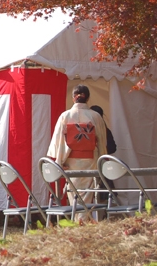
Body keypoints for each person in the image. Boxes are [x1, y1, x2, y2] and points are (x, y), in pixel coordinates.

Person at [47, 84, 107, 218]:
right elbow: (102, 140)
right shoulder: (95, 116)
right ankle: (84, 222)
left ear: (73, 98)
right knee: (88, 194)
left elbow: (60, 142)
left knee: (73, 195)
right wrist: (102, 159)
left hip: (71, 161)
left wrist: (60, 161)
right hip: (91, 160)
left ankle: (78, 221)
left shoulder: (65, 115)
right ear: (88, 98)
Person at [90, 105, 117, 201]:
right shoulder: (104, 130)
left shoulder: (90, 130)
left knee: (99, 193)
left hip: (98, 162)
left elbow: (112, 147)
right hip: (98, 162)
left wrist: (101, 150)